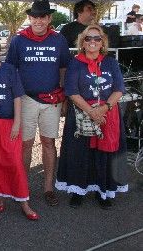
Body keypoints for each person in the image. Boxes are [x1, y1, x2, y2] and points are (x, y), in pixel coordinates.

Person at [5, 0, 71, 207]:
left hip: (53, 99)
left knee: (49, 143)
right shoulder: (18, 41)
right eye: (35, 16)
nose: (39, 21)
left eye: (43, 16)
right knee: (25, 144)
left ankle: (48, 188)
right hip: (26, 99)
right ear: (30, 18)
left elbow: (63, 69)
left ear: (49, 18)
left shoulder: (59, 40)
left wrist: (65, 98)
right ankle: (23, 187)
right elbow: (10, 71)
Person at [56, 25, 128, 209]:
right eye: (88, 38)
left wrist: (103, 109)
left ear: (102, 41)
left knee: (104, 155)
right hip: (81, 114)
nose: (93, 42)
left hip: (107, 115)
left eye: (97, 38)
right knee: (80, 154)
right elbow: (71, 91)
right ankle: (78, 191)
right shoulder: (75, 63)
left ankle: (102, 191)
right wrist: (91, 111)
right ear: (83, 42)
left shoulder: (110, 63)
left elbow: (119, 88)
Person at [0, 36, 38, 221]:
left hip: (8, 122)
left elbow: (17, 98)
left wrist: (17, 123)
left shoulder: (10, 70)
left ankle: (24, 202)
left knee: (13, 161)